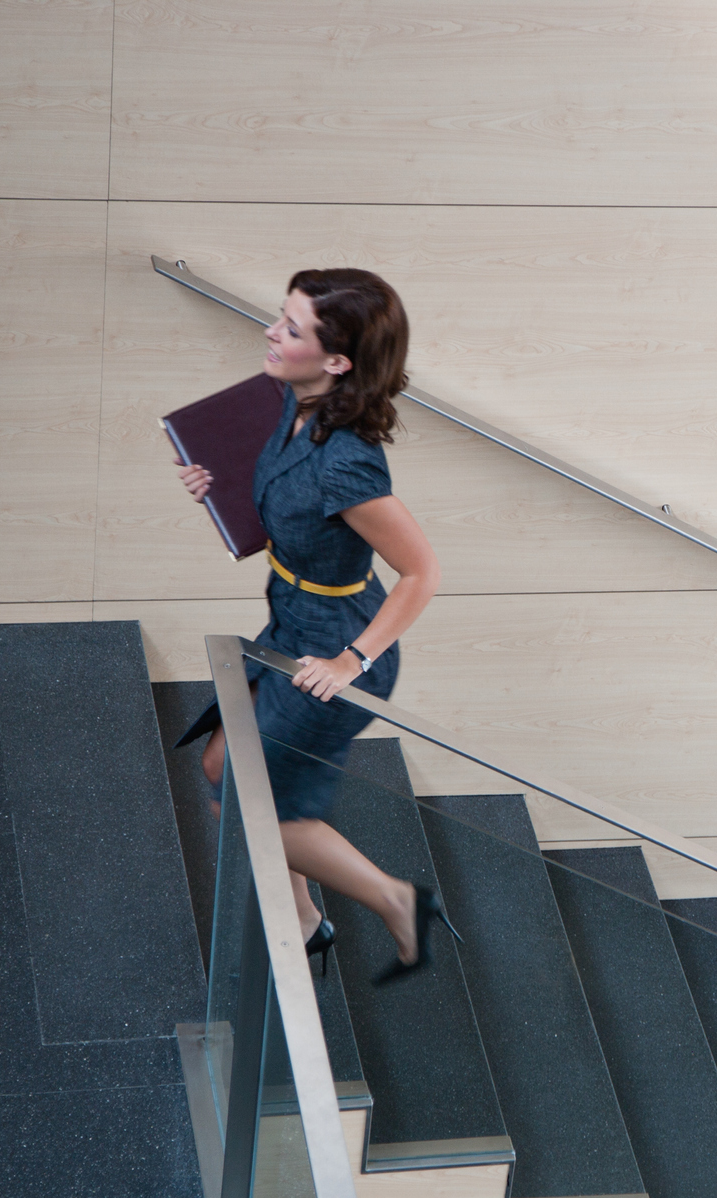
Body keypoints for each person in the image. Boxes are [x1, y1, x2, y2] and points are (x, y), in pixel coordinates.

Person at [174, 268, 450, 984]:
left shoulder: (349, 464)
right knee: (219, 764)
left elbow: (421, 572)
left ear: (337, 362)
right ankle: (303, 919)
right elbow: (290, 509)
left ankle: (397, 901)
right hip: (290, 617)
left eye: (291, 329)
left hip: (336, 646)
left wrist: (350, 662)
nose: (271, 332)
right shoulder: (291, 405)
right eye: (280, 317)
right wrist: (221, 490)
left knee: (241, 791)